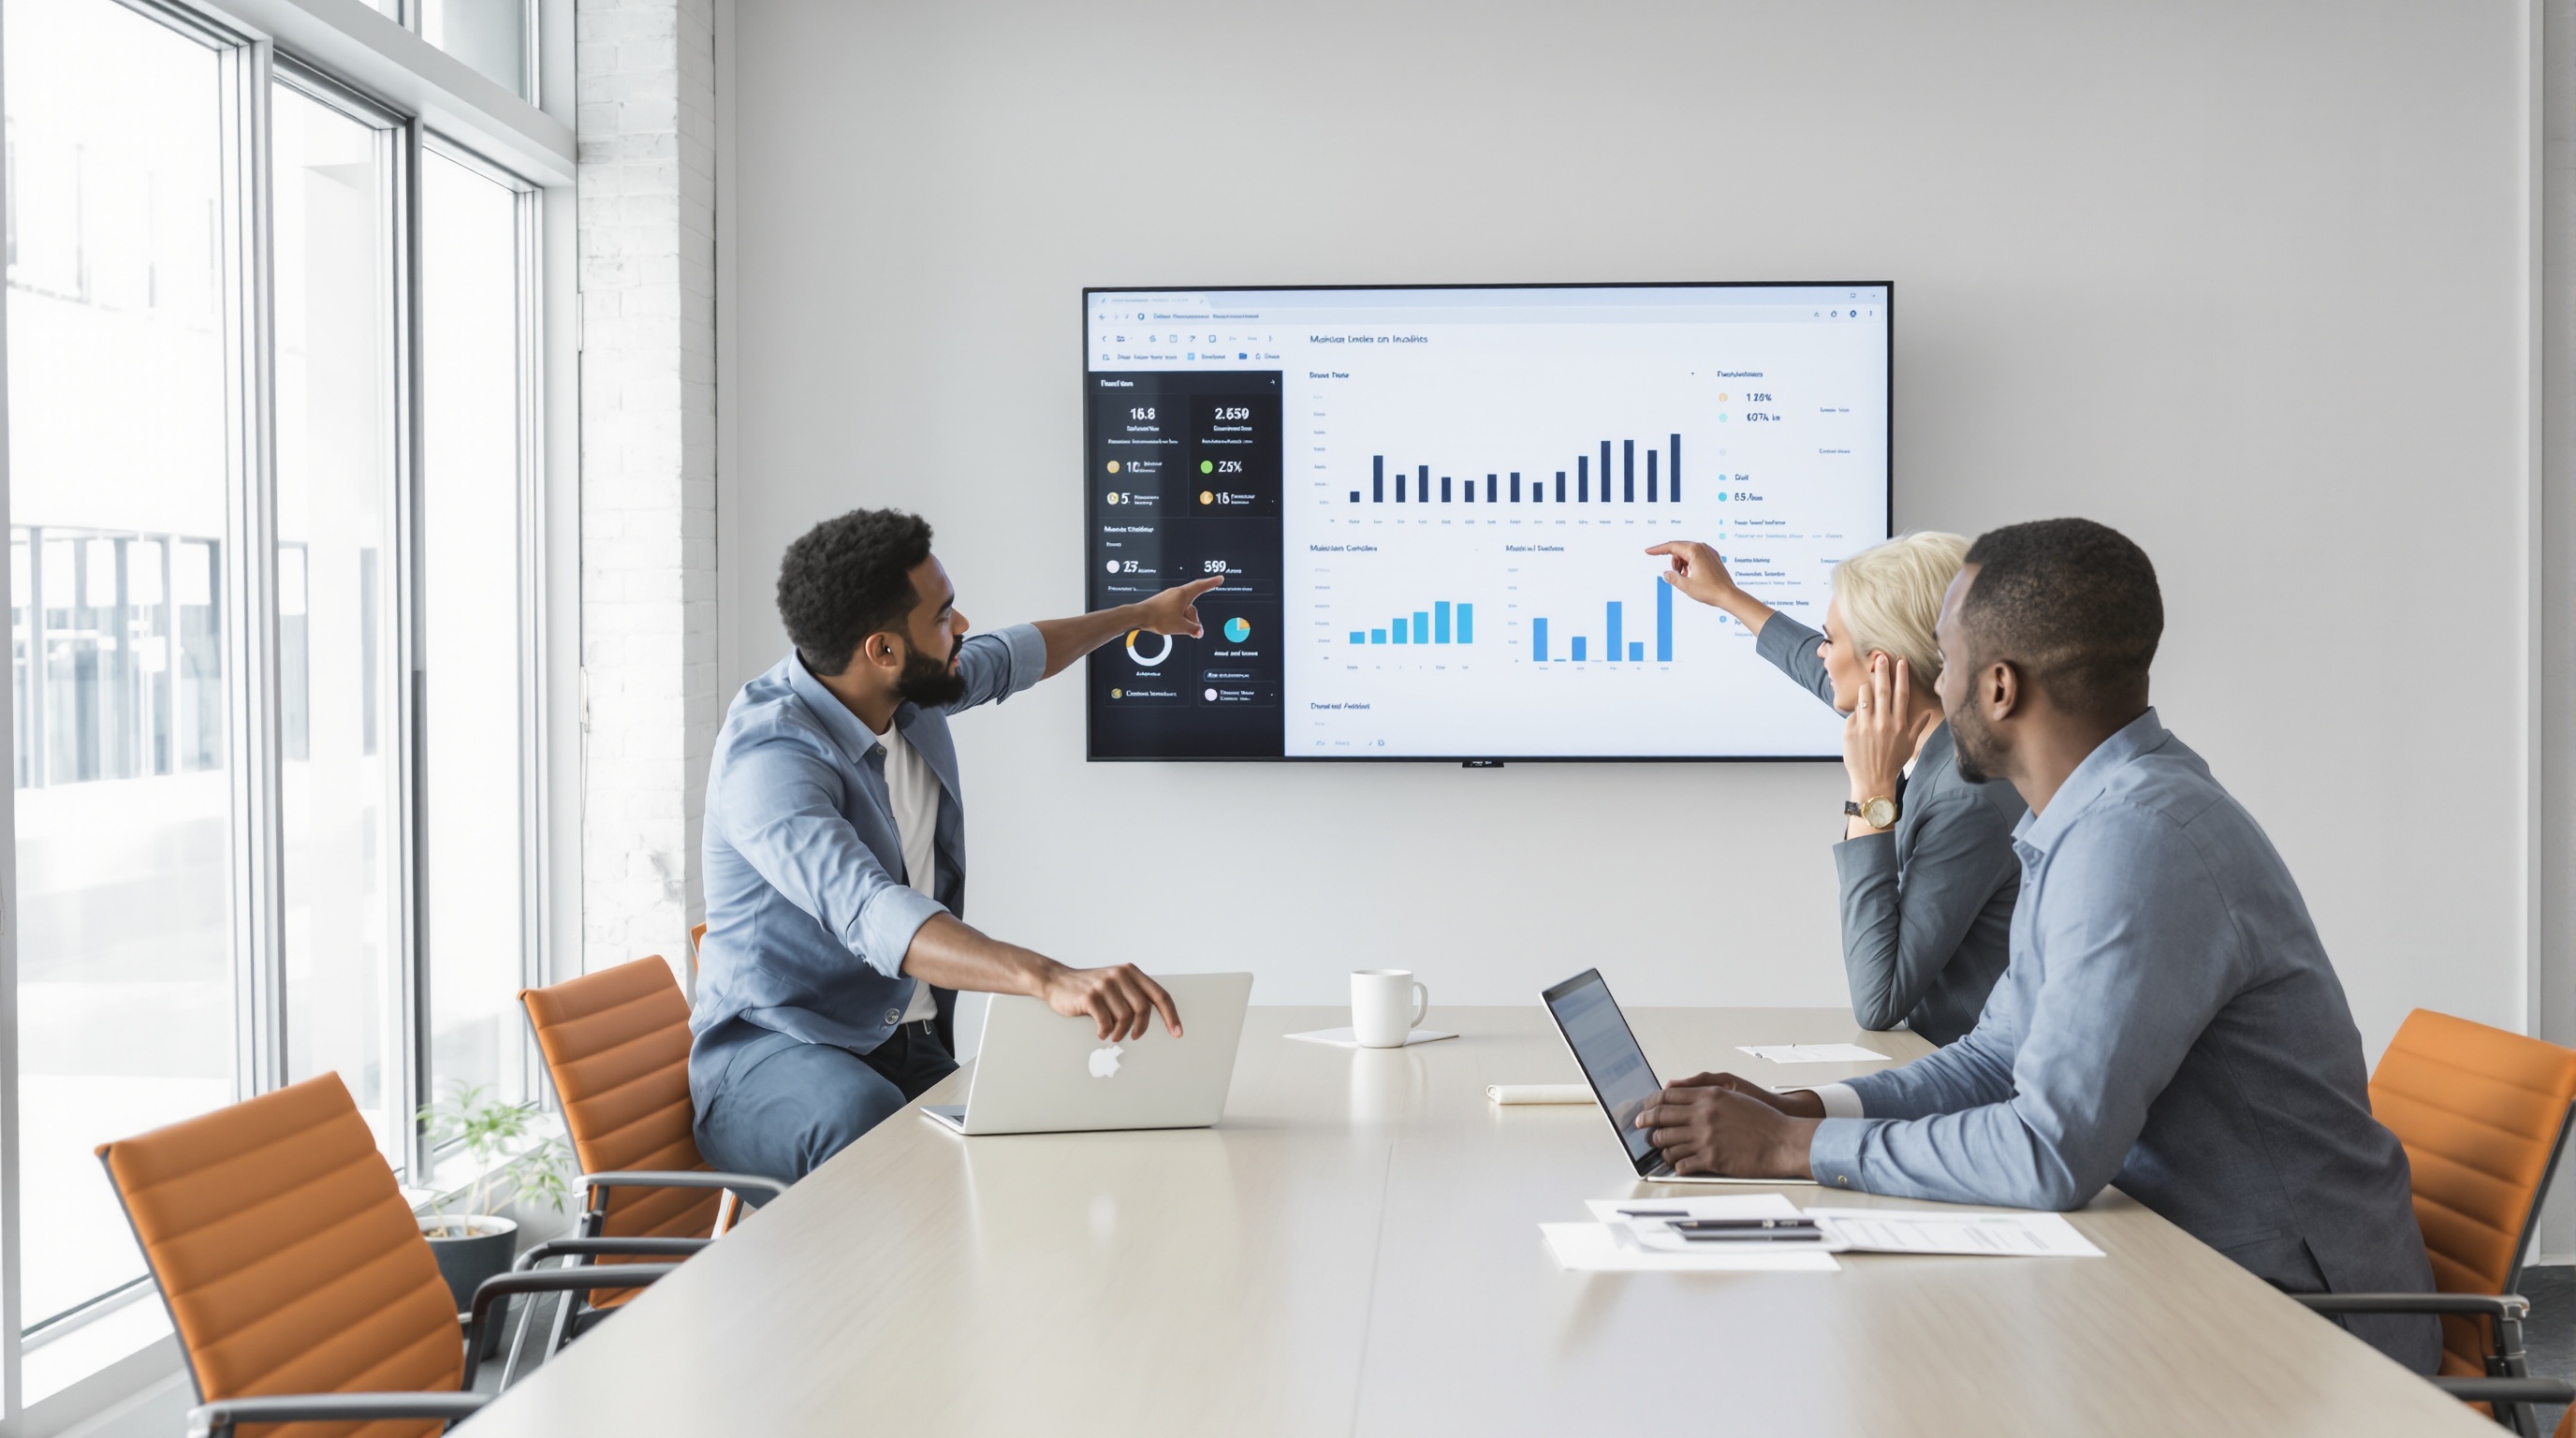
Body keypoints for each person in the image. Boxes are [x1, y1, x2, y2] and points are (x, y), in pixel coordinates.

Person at [1632, 519, 2436, 1372]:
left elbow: (2048, 1151)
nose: (1926, 685)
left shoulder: (2136, 839)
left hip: (2297, 1328)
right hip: (2176, 1260)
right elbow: (1998, 1056)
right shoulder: (2086, 818)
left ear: (2000, 689)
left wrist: (1791, 1153)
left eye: (1945, 661)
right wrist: (1812, 1110)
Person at [691, 506, 1221, 1186]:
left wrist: (1140, 614)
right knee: (869, 1124)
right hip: (770, 1054)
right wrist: (1048, 977)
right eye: (945, 616)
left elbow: (1015, 655)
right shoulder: (768, 760)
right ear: (882, 649)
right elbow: (871, 913)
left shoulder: (900, 691)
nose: (962, 628)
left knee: (1044, 1144)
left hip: (906, 1046)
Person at [1647, 534, 2023, 1043]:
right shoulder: (1945, 730)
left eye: (1831, 638)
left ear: (1881, 666)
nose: (1821, 653)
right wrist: (1728, 597)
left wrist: (1870, 798)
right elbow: (1823, 670)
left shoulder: (1965, 797)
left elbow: (1879, 999)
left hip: (1973, 1088)